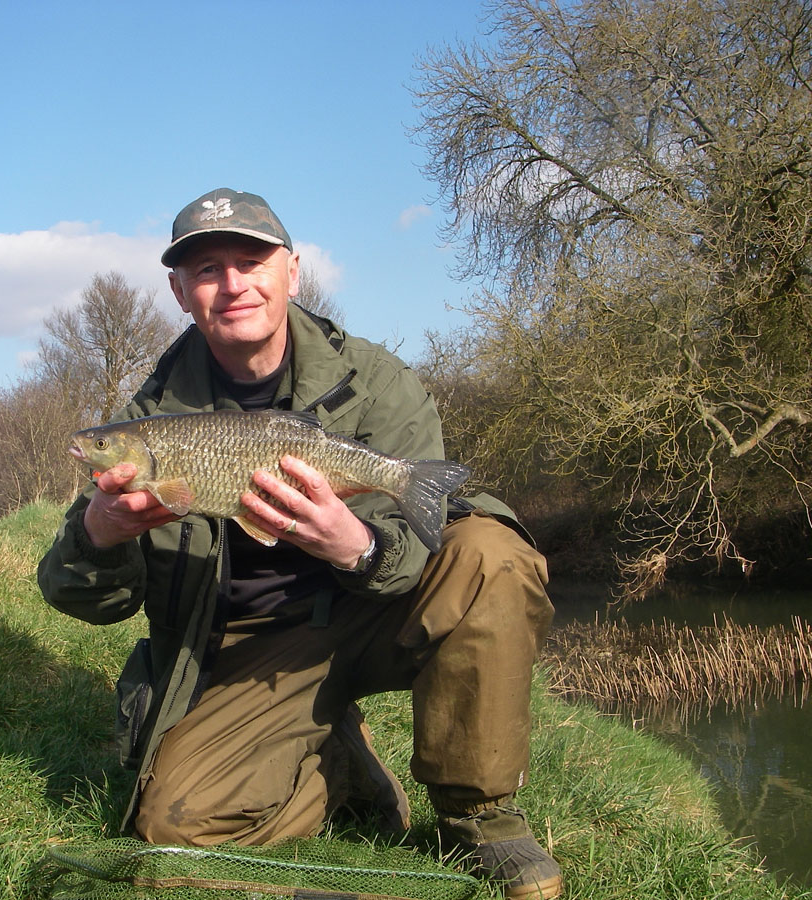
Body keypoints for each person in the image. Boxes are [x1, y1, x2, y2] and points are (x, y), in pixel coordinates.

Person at [37, 188, 562, 899]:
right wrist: (99, 537)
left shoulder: (377, 382)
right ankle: (335, 758)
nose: (233, 284)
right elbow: (82, 598)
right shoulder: (150, 421)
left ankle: (480, 817)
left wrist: (354, 545)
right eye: (208, 269)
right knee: (176, 829)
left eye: (251, 261)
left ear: (291, 270)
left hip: (373, 610)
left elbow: (420, 540)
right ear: (180, 291)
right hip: (252, 646)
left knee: (491, 552)